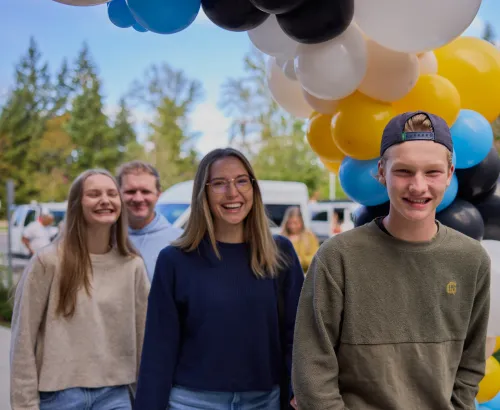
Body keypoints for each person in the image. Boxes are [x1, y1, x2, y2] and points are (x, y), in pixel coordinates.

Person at [292, 111, 491, 409]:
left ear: (450, 175)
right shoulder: (338, 257)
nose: (418, 186)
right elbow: (312, 369)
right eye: (404, 171)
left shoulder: (471, 259)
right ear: (382, 172)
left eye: (432, 172)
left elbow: (471, 364)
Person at [134, 148, 305, 410]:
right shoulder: (175, 260)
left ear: (253, 188)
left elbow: (298, 333)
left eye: (241, 181)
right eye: (219, 183)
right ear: (203, 192)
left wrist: (297, 388)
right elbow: (159, 348)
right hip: (191, 402)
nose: (232, 192)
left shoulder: (280, 253)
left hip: (264, 401)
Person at [10, 169, 150, 410]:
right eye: (94, 194)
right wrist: (24, 405)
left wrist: (147, 397)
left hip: (115, 395)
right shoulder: (48, 261)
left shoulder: (132, 266)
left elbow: (144, 337)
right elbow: (23, 339)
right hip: (59, 396)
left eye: (111, 194)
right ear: (77, 204)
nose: (105, 200)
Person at [116, 160, 182, 281]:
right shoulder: (105, 239)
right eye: (130, 191)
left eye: (145, 191)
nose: (138, 198)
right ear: (118, 194)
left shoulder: (181, 242)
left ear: (158, 195)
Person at [280, 206, 319, 273]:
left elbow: (317, 258)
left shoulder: (309, 236)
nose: (292, 226)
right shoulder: (281, 237)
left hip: (305, 277)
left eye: (295, 223)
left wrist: (302, 260)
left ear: (301, 222)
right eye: (290, 223)